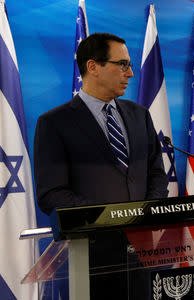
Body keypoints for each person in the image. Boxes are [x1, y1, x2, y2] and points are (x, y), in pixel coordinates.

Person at [33, 32, 169, 299]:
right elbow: (52, 193)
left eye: (129, 65)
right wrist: (109, 220)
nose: (130, 73)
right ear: (93, 67)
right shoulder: (55, 123)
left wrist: (146, 218)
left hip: (141, 256)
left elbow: (156, 174)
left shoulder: (140, 115)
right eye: (122, 64)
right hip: (92, 259)